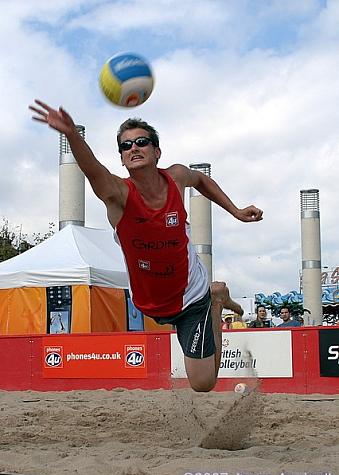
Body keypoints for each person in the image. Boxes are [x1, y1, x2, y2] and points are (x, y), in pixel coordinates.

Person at [29, 99, 263, 392]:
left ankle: (215, 300)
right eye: (125, 146)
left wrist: (236, 211)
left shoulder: (176, 177)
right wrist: (73, 136)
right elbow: (93, 171)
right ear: (122, 158)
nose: (133, 148)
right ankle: (219, 297)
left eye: (141, 142)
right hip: (151, 302)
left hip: (191, 296)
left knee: (203, 384)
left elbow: (201, 180)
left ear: (156, 151)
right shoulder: (118, 195)